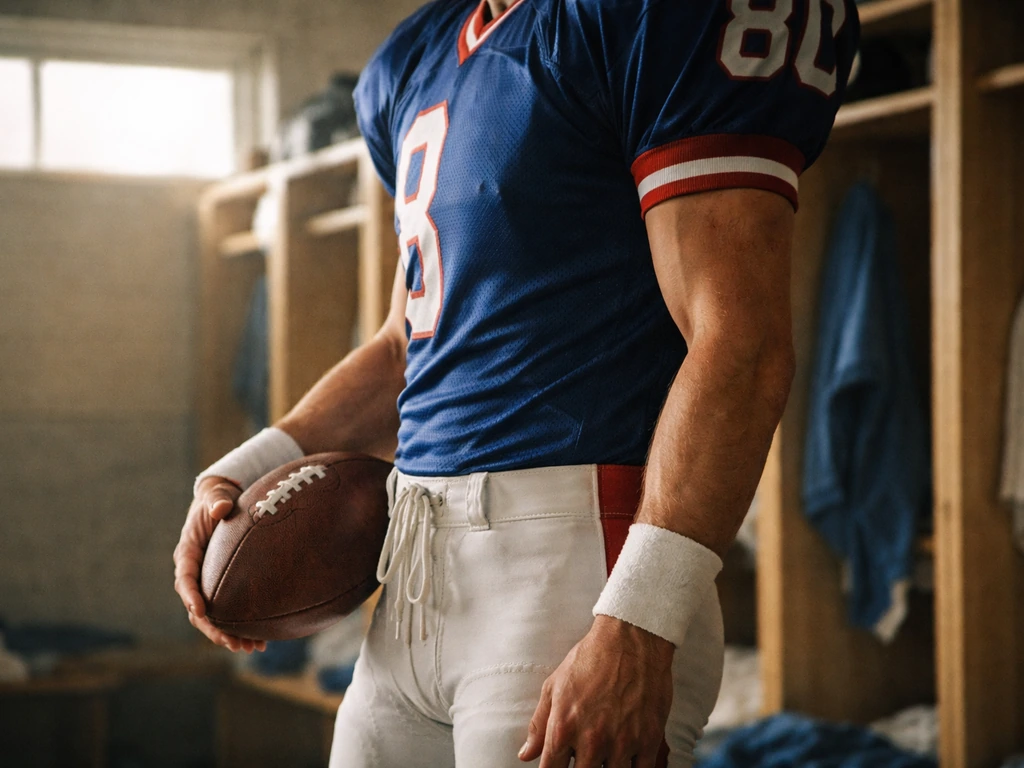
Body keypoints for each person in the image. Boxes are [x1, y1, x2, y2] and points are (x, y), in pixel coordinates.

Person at [174, 0, 858, 765]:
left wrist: (641, 620)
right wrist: (244, 471)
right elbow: (411, 345)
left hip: (575, 569)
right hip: (412, 577)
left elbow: (742, 343)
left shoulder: (644, 17)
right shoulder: (414, 58)